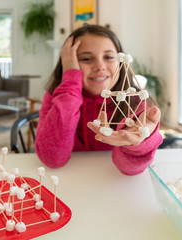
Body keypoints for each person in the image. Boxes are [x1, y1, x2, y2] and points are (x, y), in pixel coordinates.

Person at [34, 24, 162, 175]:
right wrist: (70, 81)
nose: (100, 66)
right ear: (69, 63)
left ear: (121, 61)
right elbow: (53, 159)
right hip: (69, 179)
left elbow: (128, 169)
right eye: (86, 58)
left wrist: (137, 144)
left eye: (108, 57)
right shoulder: (57, 97)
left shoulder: (134, 100)